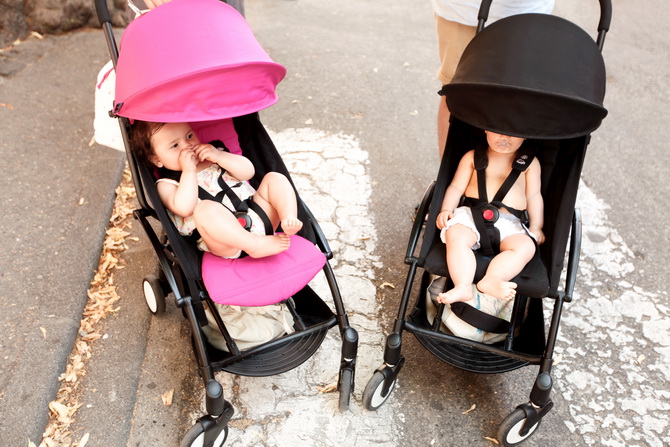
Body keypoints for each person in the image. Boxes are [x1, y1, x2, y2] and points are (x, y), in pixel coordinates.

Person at [129, 121, 303, 259]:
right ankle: (254, 244)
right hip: (225, 240)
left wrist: (219, 156)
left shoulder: (215, 155)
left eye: (189, 135)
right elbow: (184, 208)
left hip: (257, 214)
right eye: (175, 146)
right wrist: (188, 171)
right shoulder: (166, 183)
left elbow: (248, 172)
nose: (187, 145)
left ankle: (289, 218)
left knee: (274, 178)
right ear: (156, 160)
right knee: (204, 209)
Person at [432, 0, 554, 157]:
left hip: (527, 12)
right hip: (464, 10)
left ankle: (510, 175)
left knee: (518, 97)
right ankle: (449, 176)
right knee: (456, 93)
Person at [435, 130, 545, 303]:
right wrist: (446, 209)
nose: (504, 137)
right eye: (498, 132)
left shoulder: (530, 163)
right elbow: (456, 187)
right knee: (455, 235)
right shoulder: (472, 157)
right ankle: (462, 286)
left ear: (525, 135)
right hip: (472, 216)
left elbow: (533, 196)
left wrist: (536, 226)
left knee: (526, 247)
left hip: (511, 223)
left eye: (512, 133)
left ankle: (493, 279)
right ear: (486, 129)